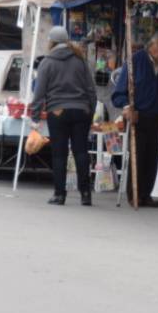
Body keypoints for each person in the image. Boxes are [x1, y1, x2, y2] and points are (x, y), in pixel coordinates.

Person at [29, 26, 98, 206]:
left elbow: (39, 93)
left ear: (51, 41)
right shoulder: (80, 60)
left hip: (57, 111)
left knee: (59, 154)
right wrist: (89, 113)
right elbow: (91, 90)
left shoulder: (47, 62)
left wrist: (35, 116)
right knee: (81, 152)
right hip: (81, 110)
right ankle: (85, 194)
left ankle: (60, 194)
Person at [111, 31, 158, 208]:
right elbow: (118, 94)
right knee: (138, 156)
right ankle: (134, 195)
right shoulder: (135, 61)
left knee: (153, 156)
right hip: (138, 116)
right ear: (152, 45)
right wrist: (127, 108)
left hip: (157, 116)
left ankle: (146, 194)